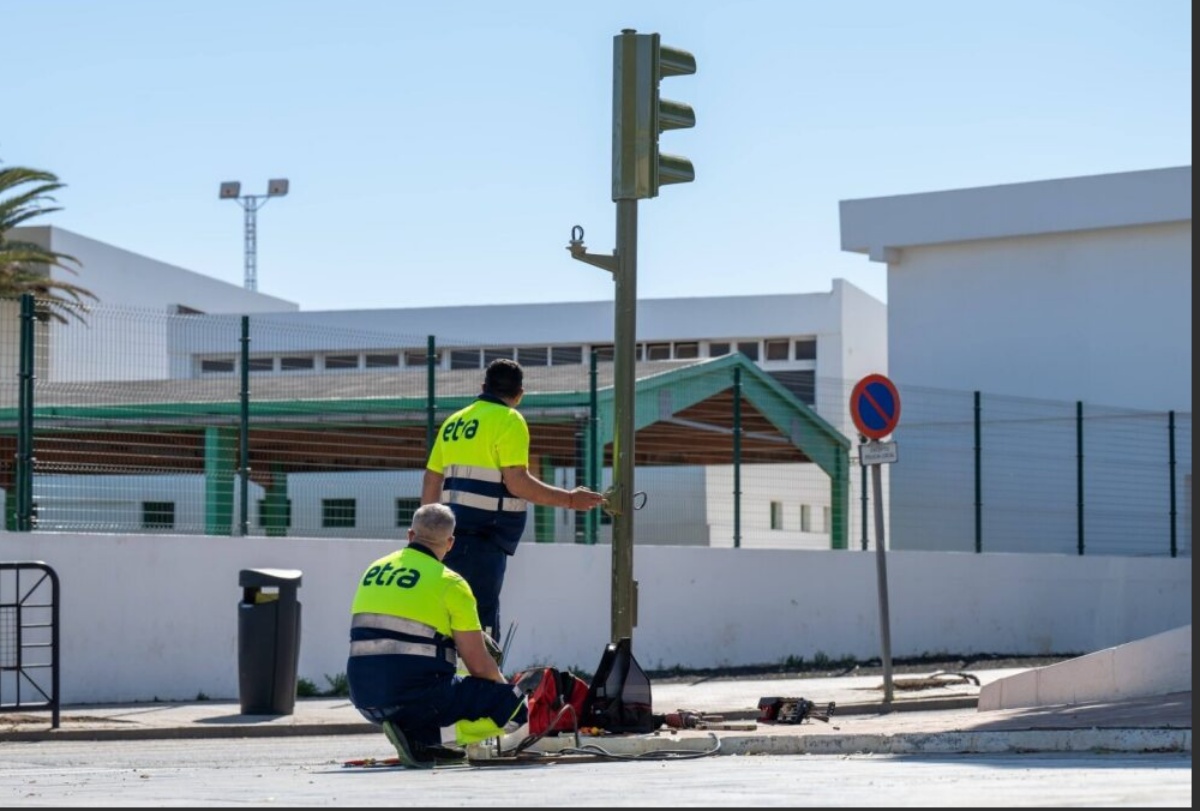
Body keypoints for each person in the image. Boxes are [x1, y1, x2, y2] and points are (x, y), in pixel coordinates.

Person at [421, 358, 606, 642]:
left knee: (446, 620)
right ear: (520, 394)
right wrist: (570, 499)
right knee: (478, 626)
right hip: (483, 540)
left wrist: (427, 536)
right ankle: (477, 672)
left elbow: (432, 480)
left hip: (447, 540)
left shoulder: (453, 422)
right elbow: (517, 482)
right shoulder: (510, 420)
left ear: (483, 386)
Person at [346, 502, 528, 768]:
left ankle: (423, 742)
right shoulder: (451, 583)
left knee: (443, 671)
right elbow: (478, 663)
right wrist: (505, 691)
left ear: (411, 535)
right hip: (415, 697)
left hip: (363, 695)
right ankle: (430, 740)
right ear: (451, 542)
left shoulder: (374, 570)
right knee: (513, 709)